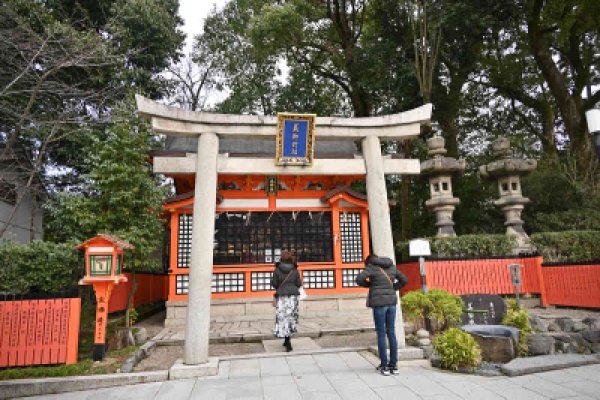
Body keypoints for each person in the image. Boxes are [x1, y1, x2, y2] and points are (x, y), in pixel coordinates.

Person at [356, 254, 408, 376]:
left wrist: (370, 285)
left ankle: (384, 365)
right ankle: (394, 365)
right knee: (391, 332)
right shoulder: (391, 266)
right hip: (391, 303)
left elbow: (359, 279)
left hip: (379, 304)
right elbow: (404, 280)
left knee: (381, 333)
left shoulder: (372, 266)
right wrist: (394, 287)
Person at [271, 250, 302, 352]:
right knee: (290, 317)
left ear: (281, 258)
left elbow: (274, 283)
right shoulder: (295, 270)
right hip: (292, 297)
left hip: (282, 297)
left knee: (282, 318)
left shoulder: (277, 270)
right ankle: (287, 340)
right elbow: (298, 283)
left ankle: (286, 340)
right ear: (291, 259)